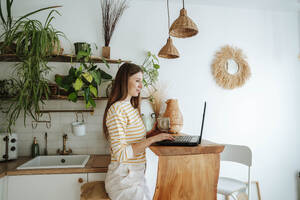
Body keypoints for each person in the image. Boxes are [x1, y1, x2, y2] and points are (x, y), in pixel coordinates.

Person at [103, 63, 174, 200]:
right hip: (123, 180)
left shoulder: (131, 107)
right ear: (124, 80)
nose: (141, 86)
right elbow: (121, 154)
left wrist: (152, 134)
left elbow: (132, 138)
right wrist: (152, 139)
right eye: (137, 81)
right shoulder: (117, 110)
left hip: (136, 176)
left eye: (142, 81)